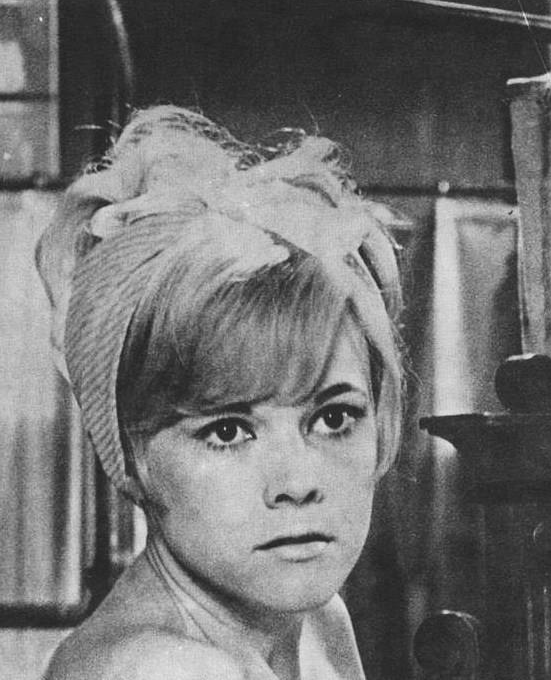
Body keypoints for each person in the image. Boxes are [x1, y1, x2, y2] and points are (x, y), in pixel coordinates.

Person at [36, 105, 404, 680]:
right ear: (130, 454)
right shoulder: (164, 668)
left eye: (333, 418)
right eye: (228, 430)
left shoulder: (319, 621)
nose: (297, 484)